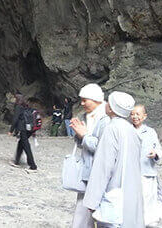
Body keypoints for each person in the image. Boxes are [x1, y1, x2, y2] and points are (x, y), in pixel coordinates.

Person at [83, 91, 144, 227]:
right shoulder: (131, 130)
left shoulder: (111, 129)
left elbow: (103, 167)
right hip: (131, 192)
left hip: (114, 193)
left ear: (111, 108)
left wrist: (92, 201)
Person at [69, 83, 111, 228]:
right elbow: (83, 144)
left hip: (99, 173)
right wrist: (78, 134)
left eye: (85, 100)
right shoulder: (88, 116)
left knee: (98, 212)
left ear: (95, 99)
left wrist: (84, 134)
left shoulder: (105, 119)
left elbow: (103, 148)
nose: (82, 103)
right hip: (88, 170)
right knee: (82, 210)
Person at [131, 104, 162, 227]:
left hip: (147, 174)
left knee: (147, 203)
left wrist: (155, 153)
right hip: (130, 174)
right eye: (132, 114)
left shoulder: (151, 132)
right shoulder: (127, 131)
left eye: (137, 114)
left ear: (144, 116)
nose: (134, 117)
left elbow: (159, 149)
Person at [8, 94, 37, 171]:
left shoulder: (18, 107)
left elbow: (15, 119)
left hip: (23, 129)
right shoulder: (25, 106)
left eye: (14, 98)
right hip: (29, 128)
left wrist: (11, 130)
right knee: (21, 144)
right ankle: (17, 161)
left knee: (26, 146)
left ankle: (33, 165)